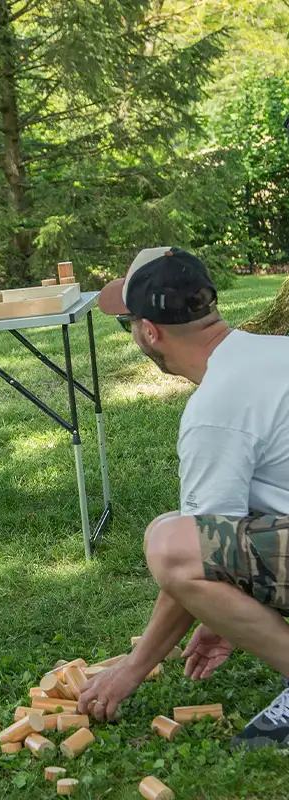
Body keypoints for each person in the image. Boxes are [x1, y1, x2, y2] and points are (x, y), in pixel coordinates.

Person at [78, 246, 289, 750]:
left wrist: (133, 668)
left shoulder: (216, 407)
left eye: (126, 324)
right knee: (176, 529)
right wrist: (224, 615)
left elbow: (192, 553)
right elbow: (228, 536)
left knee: (170, 544)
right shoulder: (273, 350)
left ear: (150, 332)